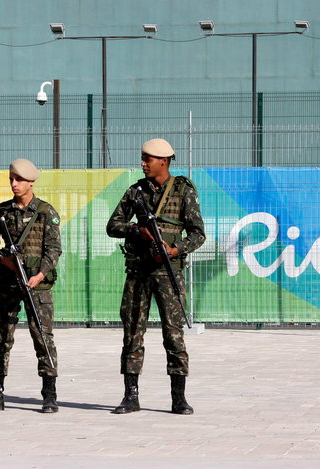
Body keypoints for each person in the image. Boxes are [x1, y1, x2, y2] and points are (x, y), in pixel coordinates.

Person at [106, 138, 206, 415]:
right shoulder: (135, 192)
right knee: (132, 333)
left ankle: (178, 398)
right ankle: (130, 396)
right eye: (143, 158)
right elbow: (113, 225)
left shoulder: (183, 191)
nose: (143, 163)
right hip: (139, 271)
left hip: (168, 272)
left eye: (148, 159)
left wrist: (175, 250)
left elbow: (198, 233)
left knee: (173, 335)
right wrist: (138, 232)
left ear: (164, 161)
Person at [0, 158, 62, 413]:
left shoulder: (46, 212)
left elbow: (53, 248)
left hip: (38, 286)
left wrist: (40, 274)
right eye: (12, 179)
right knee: (1, 337)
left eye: (20, 180)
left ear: (31, 182)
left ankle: (49, 394)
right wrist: (5, 260)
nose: (14, 184)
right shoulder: (1, 212)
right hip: (8, 284)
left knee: (42, 338)